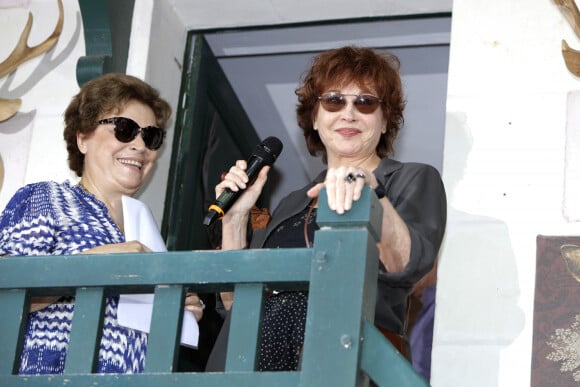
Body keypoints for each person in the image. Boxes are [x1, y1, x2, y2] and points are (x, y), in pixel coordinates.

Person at [205, 46, 447, 373]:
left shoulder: (410, 179)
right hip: (255, 366)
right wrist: (234, 222)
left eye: (365, 102)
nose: (348, 113)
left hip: (346, 365)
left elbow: (408, 264)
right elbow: (236, 304)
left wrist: (373, 192)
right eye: (334, 101)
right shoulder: (292, 202)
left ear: (385, 120)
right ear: (315, 119)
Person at [0, 73, 205, 374]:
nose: (139, 145)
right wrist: (91, 265)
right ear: (82, 138)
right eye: (124, 129)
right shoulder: (47, 199)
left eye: (151, 136)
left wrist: (178, 311)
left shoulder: (147, 234)